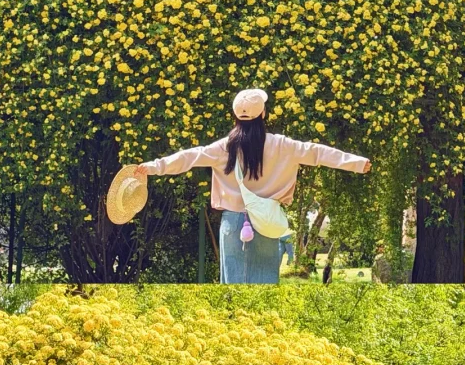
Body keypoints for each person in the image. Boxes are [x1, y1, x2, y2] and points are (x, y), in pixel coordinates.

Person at [133, 88, 370, 284]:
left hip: (233, 223)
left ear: (235, 116)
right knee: (264, 286)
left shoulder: (225, 147)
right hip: (266, 222)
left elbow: (188, 157)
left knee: (233, 286)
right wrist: (358, 163)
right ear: (263, 114)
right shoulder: (282, 145)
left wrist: (153, 166)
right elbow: (318, 153)